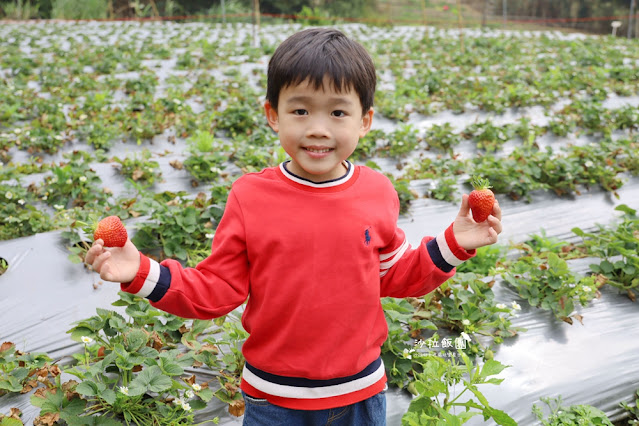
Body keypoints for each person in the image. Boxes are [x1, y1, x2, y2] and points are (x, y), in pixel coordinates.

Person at [85, 27, 502, 426]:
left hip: (358, 394)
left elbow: (393, 275)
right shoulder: (250, 197)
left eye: (338, 112)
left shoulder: (377, 191)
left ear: (365, 120)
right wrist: (140, 271)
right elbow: (216, 291)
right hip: (274, 400)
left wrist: (452, 244)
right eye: (300, 110)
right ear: (273, 114)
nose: (318, 128)